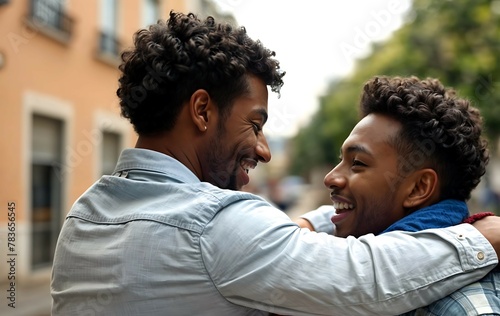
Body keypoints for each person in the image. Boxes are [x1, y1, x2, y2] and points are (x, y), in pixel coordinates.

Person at [51, 12, 500, 315]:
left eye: (358, 164)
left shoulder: (82, 218)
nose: (264, 150)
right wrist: (478, 239)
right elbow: (366, 278)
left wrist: (313, 225)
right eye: (255, 123)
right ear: (202, 111)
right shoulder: (215, 226)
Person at [319, 75, 500, 315]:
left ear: (418, 189)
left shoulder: (462, 307)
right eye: (340, 160)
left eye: (358, 163)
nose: (330, 178)